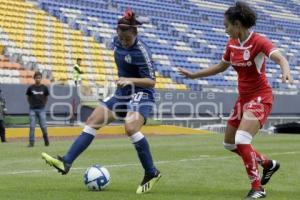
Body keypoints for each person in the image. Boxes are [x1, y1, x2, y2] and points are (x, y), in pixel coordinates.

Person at [178, 2, 293, 199]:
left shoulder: (259, 41)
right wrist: (194, 75)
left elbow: (281, 58)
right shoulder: (231, 44)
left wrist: (286, 72)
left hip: (260, 97)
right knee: (229, 144)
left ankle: (258, 188)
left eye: (227, 25)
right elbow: (221, 67)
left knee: (242, 139)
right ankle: (268, 164)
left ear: (237, 24)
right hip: (243, 99)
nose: (225, 29)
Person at [42, 9, 161, 194]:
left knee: (130, 128)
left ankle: (151, 172)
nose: (123, 42)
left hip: (142, 92)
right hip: (122, 93)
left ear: (135, 33)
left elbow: (152, 81)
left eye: (127, 39)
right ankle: (66, 162)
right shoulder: (117, 41)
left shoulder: (142, 51)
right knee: (92, 121)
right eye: (121, 38)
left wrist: (130, 80)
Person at [26, 71, 50, 147]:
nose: (38, 79)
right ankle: (31, 143)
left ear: (41, 78)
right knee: (32, 126)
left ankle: (46, 140)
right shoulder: (31, 88)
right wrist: (31, 104)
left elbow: (46, 98)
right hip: (32, 109)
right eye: (36, 78)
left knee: (43, 126)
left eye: (39, 78)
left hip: (41, 109)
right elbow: (28, 97)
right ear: (34, 78)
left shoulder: (44, 88)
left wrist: (43, 105)